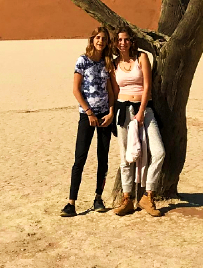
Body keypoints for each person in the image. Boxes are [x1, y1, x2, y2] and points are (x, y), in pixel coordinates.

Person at [60, 26, 115, 217]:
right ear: (92, 40)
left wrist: (110, 112)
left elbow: (110, 91)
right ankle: (71, 203)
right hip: (87, 116)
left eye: (104, 39)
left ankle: (98, 198)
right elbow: (76, 90)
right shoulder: (82, 60)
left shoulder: (107, 62)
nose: (101, 41)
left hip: (104, 117)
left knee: (103, 158)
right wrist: (89, 112)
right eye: (98, 38)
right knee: (80, 158)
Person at [111, 26, 165, 217]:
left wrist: (141, 112)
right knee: (126, 156)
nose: (122, 43)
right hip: (122, 111)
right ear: (115, 43)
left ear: (131, 41)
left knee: (159, 152)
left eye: (126, 39)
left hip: (144, 110)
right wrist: (112, 113)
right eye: (119, 40)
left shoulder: (141, 58)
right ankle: (127, 199)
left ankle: (148, 196)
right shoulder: (115, 62)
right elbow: (114, 91)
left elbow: (147, 86)